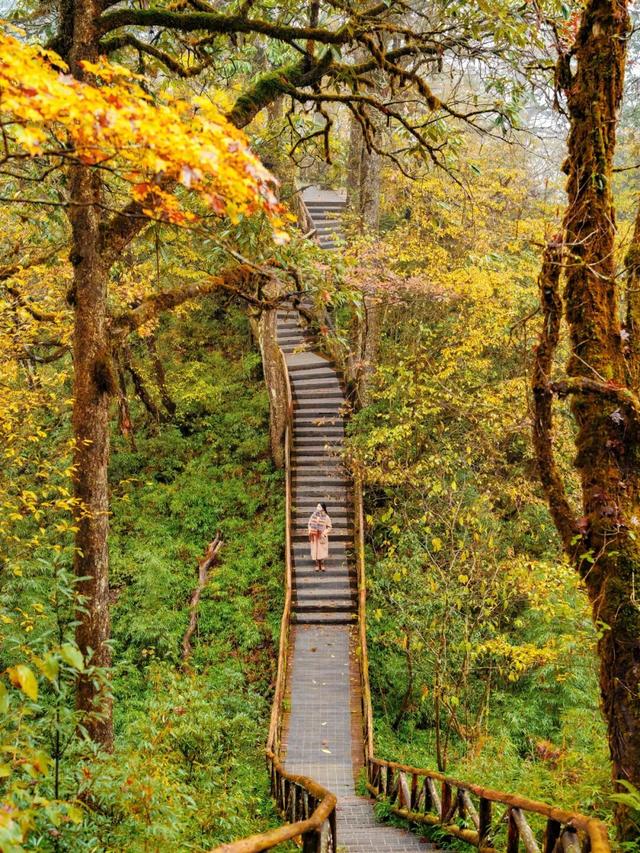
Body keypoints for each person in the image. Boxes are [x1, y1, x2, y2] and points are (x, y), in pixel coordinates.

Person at [308, 503, 332, 572]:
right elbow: (309, 524)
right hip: (314, 536)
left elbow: (329, 527)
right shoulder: (313, 515)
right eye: (317, 506)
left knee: (322, 550)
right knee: (315, 550)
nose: (317, 507)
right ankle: (317, 564)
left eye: (319, 506)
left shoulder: (326, 517)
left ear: (322, 508)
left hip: (321, 536)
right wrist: (310, 530)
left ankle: (322, 563)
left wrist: (324, 533)